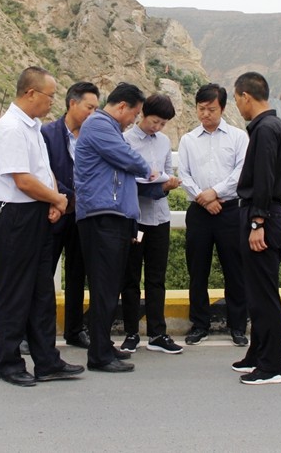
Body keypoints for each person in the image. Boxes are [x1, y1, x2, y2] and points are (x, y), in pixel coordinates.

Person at [0, 66, 85, 387]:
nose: (52, 102)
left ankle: (47, 361)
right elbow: (23, 180)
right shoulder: (11, 128)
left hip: (37, 212)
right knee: (14, 293)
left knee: (42, 292)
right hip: (15, 216)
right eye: (49, 96)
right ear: (30, 93)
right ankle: (9, 363)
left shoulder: (32, 126)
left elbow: (44, 170)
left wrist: (54, 199)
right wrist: (57, 200)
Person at [74, 82, 152, 373]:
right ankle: (99, 356)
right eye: (135, 113)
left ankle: (103, 346)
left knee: (109, 286)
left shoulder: (107, 127)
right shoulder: (99, 125)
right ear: (121, 106)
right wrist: (149, 169)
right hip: (102, 217)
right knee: (104, 287)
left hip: (112, 216)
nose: (134, 120)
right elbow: (129, 159)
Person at [228, 72, 281, 385]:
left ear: (245, 96)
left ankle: (273, 366)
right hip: (265, 215)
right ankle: (257, 353)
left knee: (264, 296)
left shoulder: (266, 129)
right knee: (256, 293)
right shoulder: (272, 126)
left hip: (263, 217)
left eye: (236, 99)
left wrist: (257, 222)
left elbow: (265, 179)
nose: (238, 106)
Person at [178, 83, 249, 347]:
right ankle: (199, 324)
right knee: (197, 270)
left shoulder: (238, 137)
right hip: (199, 212)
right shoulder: (188, 140)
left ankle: (238, 325)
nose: (205, 114)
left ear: (222, 108)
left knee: (235, 269)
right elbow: (184, 175)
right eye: (201, 109)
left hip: (229, 211)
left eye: (211, 109)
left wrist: (215, 193)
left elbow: (241, 173)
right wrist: (204, 199)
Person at [119, 94, 183, 355]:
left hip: (160, 218)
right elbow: (125, 181)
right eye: (155, 121)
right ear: (143, 114)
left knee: (157, 277)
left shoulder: (164, 141)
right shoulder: (126, 140)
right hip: (136, 219)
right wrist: (157, 185)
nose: (157, 127)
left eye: (163, 124)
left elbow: (167, 172)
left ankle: (157, 333)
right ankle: (131, 332)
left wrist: (168, 184)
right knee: (131, 277)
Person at [41, 81, 100, 349]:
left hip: (82, 215)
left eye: (97, 109)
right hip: (54, 212)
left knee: (78, 274)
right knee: (43, 274)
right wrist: (65, 197)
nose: (93, 113)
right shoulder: (47, 133)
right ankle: (36, 333)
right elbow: (43, 171)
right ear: (72, 103)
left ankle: (75, 330)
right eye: (89, 107)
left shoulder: (93, 136)